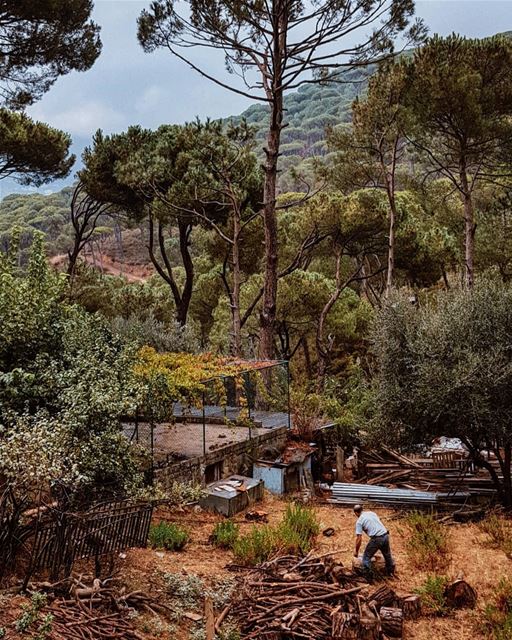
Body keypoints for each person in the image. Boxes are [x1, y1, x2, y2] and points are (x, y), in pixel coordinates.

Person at [353, 504, 395, 579]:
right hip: (385, 535)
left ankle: (370, 577)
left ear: (356, 513)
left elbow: (359, 538)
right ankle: (390, 573)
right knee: (387, 555)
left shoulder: (359, 521)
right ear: (362, 509)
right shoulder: (371, 513)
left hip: (377, 538)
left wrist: (356, 551)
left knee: (366, 558)